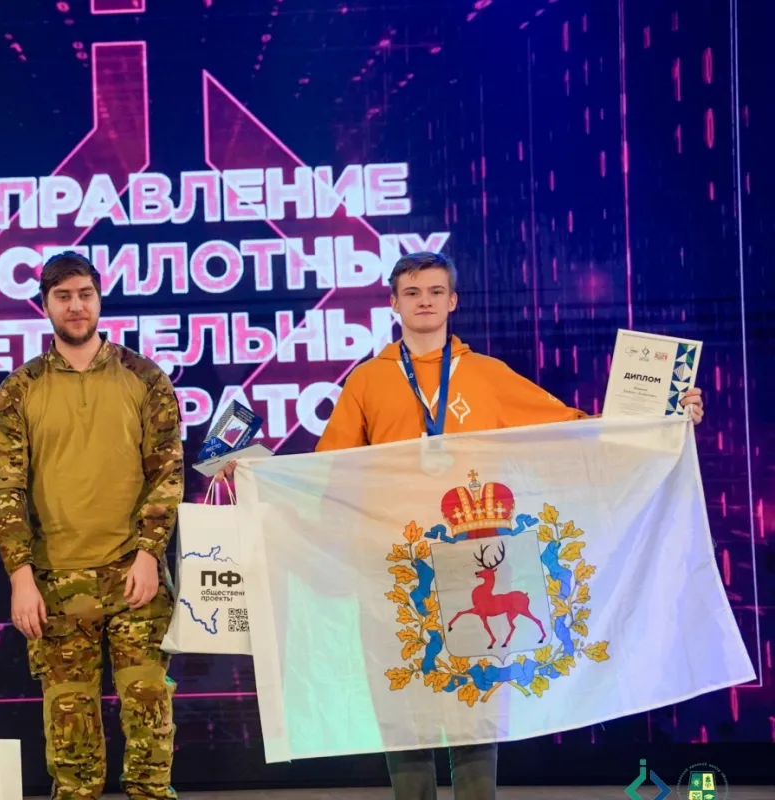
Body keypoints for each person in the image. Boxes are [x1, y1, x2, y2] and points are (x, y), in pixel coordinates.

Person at [219, 251, 705, 800]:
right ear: (393, 304)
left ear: (452, 301)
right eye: (411, 292)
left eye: (434, 291)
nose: (424, 301)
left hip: (471, 559)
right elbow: (329, 470)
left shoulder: (488, 375)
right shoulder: (367, 381)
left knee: (476, 701)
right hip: (394, 569)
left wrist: (663, 418)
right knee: (404, 704)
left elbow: (572, 428)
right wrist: (261, 476)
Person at [0, 251, 183, 800]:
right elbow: (5, 490)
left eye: (85, 295)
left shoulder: (144, 377)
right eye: (63, 296)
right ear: (45, 305)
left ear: (98, 299)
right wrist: (21, 578)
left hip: (134, 577)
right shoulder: (20, 389)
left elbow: (167, 474)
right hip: (54, 583)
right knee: (71, 745)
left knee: (150, 726)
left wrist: (149, 555)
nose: (76, 306)